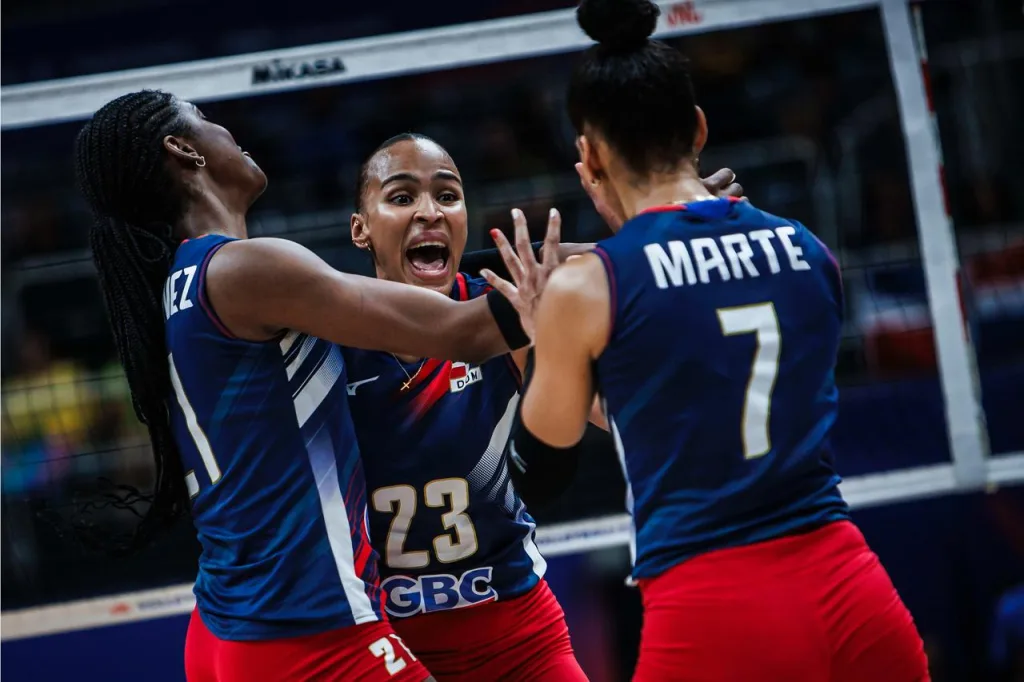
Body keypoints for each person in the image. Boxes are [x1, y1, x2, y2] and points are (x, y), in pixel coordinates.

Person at [489, 1, 932, 680]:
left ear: (590, 156)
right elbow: (681, 399)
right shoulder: (807, 249)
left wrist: (537, 340)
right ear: (698, 127)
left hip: (714, 607)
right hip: (851, 591)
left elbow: (540, 474)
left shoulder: (590, 285)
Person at [73, 90, 545, 682]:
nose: (229, 130)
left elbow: (420, 292)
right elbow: (463, 328)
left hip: (226, 624)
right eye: (205, 118)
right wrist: (612, 264)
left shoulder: (185, 278)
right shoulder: (249, 268)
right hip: (307, 627)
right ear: (183, 150)